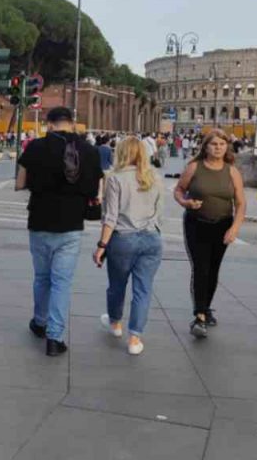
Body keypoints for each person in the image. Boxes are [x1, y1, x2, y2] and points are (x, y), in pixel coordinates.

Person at [16, 107, 103, 357]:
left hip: (40, 221)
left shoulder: (34, 147)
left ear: (49, 124)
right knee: (61, 282)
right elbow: (95, 191)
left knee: (42, 277)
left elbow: (20, 183)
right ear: (72, 124)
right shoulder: (89, 151)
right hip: (71, 224)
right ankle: (55, 338)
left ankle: (39, 322)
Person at [94, 136, 163, 355]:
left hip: (123, 238)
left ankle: (115, 323)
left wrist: (102, 245)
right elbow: (159, 211)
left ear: (120, 152)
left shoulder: (115, 178)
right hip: (152, 238)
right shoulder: (153, 177)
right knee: (143, 289)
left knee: (117, 285)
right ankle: (135, 338)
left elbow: (110, 217)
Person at [173, 129, 246, 338]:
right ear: (205, 147)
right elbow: (178, 190)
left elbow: (241, 203)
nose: (218, 148)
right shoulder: (194, 167)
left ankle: (205, 307)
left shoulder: (232, 172)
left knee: (213, 270)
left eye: (222, 145)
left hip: (222, 225)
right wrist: (186, 202)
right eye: (214, 144)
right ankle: (199, 316)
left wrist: (235, 228)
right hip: (196, 224)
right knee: (201, 268)